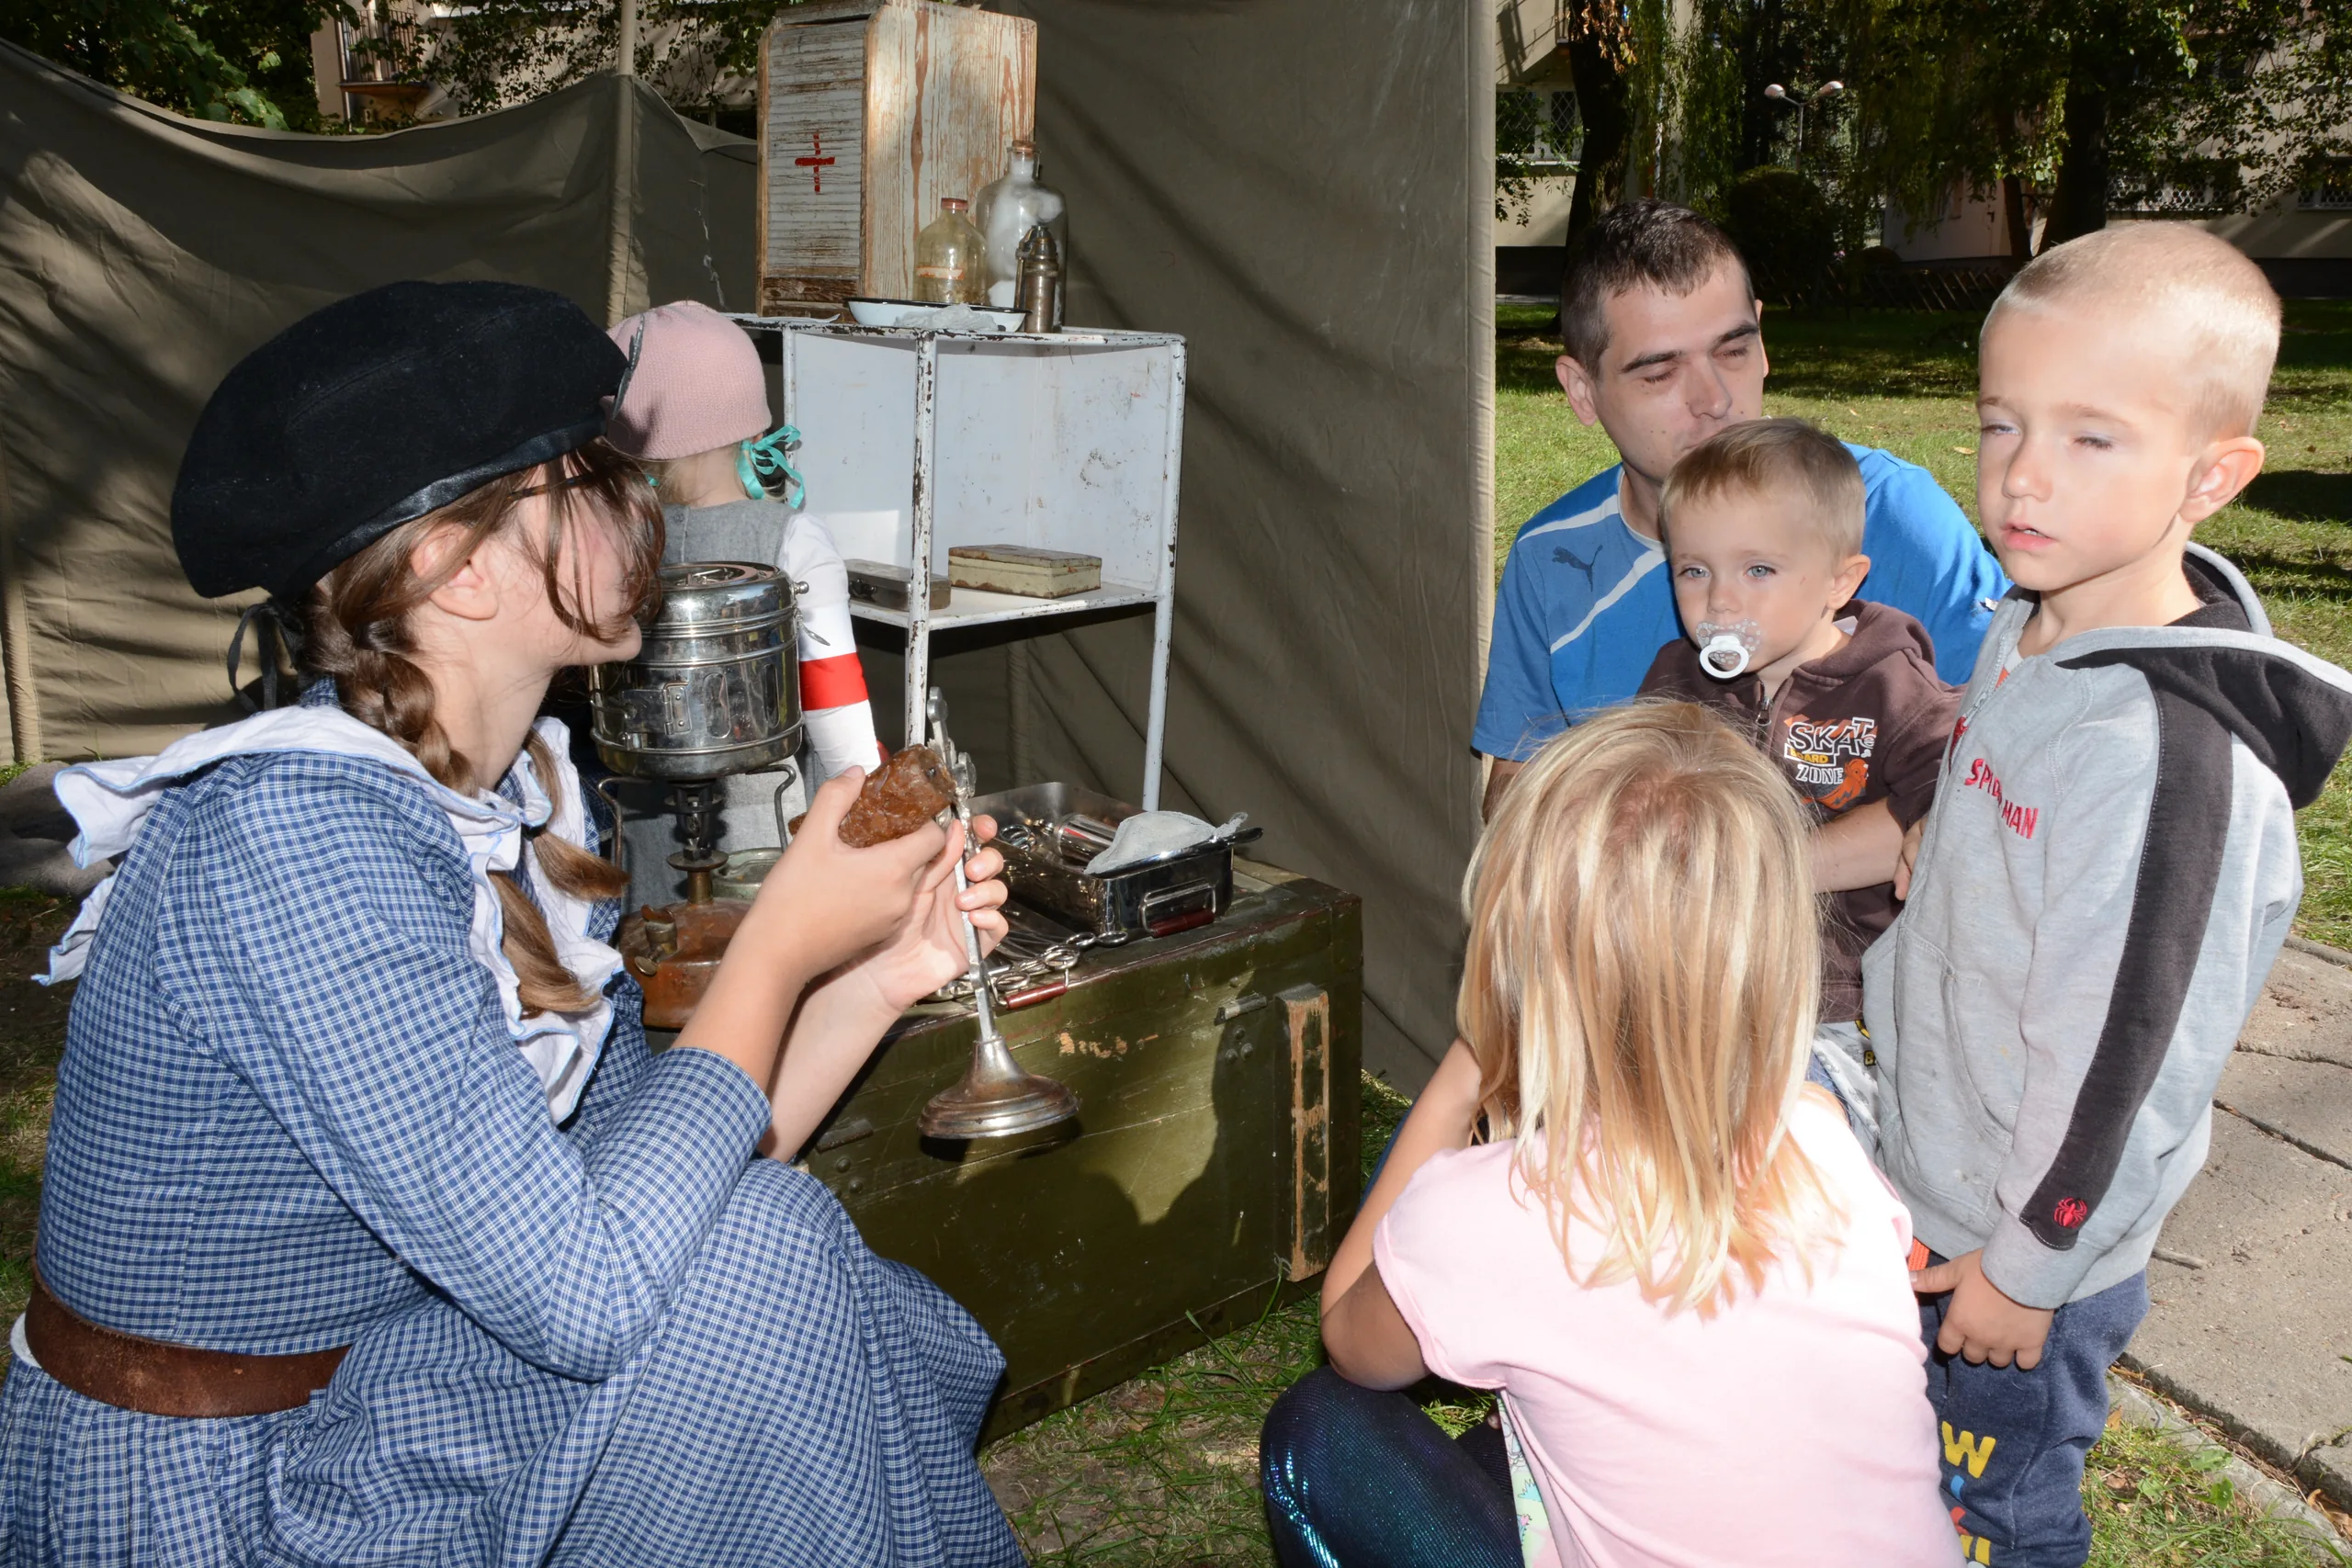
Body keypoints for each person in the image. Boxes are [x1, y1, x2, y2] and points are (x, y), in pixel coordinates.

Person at [3, 281, 1024, 1566]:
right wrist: (779, 945)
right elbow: (590, 1295)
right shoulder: (297, 842)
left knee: (764, 1236)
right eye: (594, 475)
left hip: (379, 1383)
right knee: (760, 1267)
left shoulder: (505, 795)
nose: (643, 501)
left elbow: (654, 1164)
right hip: (217, 1487)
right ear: (453, 565)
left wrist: (881, 974)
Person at [1870, 225, 2352, 1568]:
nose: (2022, 473)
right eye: (2001, 423)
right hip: (1942, 1172)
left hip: (2025, 1238)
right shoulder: (2029, 618)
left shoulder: (2162, 757)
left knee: (1993, 1510)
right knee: (1905, 1473)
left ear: (2212, 476)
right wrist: (1942, 837)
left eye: (2092, 439)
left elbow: (2134, 1058)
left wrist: (2027, 1271)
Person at [1260, 704, 1956, 1568]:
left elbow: (1349, 1339)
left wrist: (1461, 1080)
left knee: (1318, 1430)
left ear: (1516, 955)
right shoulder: (1823, 1138)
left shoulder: (1491, 1210)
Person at [1476, 199, 2007, 831]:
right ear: (1581, 390)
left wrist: (1755, 878)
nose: (1715, 400)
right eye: (1660, 372)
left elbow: (2001, 763)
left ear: (1762, 341)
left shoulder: (1889, 514)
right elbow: (1513, 794)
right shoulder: (1552, 560)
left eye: (1732, 350)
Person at [1636, 417, 1958, 1131]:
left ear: (1840, 581)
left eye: (1758, 570)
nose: (1720, 600)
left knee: (1782, 1133)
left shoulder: (1885, 681)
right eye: (1694, 569)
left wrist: (1935, 812)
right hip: (1700, 987)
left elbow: (1956, 767)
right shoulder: (1678, 679)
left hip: (1842, 1002)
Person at [605, 299, 885, 784]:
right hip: (771, 820)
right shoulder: (793, 539)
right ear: (754, 426)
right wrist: (874, 805)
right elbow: (831, 692)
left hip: (640, 814)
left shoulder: (608, 536)